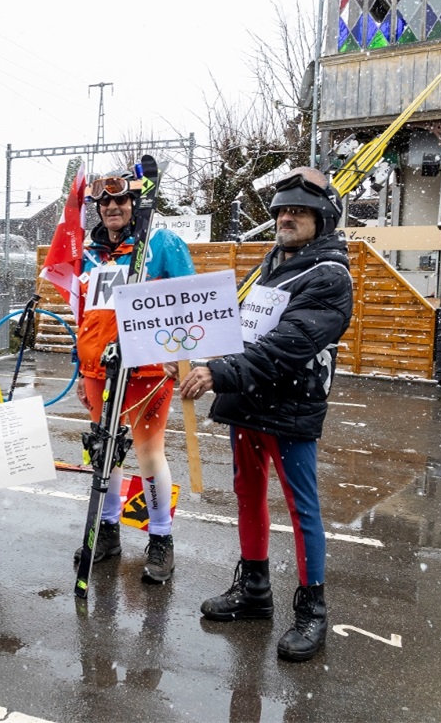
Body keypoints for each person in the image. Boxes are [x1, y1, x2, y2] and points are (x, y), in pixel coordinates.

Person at [172, 166, 352, 662]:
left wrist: (219, 374)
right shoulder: (272, 263)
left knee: (301, 510)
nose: (287, 217)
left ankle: (312, 610)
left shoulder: (330, 277)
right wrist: (187, 353)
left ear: (323, 219)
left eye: (300, 211)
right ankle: (254, 590)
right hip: (249, 402)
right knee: (247, 496)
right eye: (282, 210)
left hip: (290, 407)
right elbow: (238, 328)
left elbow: (287, 345)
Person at [73, 169, 196, 583]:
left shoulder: (160, 244)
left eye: (120, 201)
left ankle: (161, 537)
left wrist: (182, 359)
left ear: (134, 205)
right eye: (105, 203)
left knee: (148, 452)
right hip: (98, 368)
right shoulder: (91, 254)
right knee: (104, 450)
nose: (112, 208)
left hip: (146, 368)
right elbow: (84, 315)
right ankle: (107, 530)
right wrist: (79, 368)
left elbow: (189, 301)